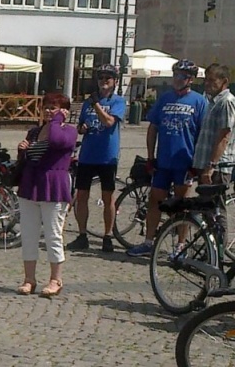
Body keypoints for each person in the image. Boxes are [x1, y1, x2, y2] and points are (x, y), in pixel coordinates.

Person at [127, 59, 208, 257]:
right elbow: (153, 127)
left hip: (185, 161)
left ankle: (181, 245)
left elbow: (203, 135)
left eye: (181, 76)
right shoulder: (165, 98)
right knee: (155, 199)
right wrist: (150, 156)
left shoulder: (199, 101)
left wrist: (197, 163)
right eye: (175, 75)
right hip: (163, 160)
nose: (177, 79)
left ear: (190, 79)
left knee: (180, 203)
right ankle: (148, 241)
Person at [16, 93, 77, 298]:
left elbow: (57, 141)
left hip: (54, 187)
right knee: (29, 234)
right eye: (47, 107)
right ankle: (29, 279)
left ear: (64, 111)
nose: (49, 111)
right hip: (30, 186)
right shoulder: (34, 132)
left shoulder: (68, 130)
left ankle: (55, 279)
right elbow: (30, 160)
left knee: (53, 234)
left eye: (54, 107)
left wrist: (58, 120)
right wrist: (22, 151)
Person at [68, 64, 126, 253]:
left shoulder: (118, 101)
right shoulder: (88, 103)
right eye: (101, 78)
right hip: (88, 154)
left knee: (107, 197)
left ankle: (107, 236)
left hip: (107, 156)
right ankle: (82, 234)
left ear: (115, 81)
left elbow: (109, 122)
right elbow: (80, 125)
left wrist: (97, 105)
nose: (103, 82)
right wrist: (82, 128)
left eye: (108, 78)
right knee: (82, 195)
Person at [191, 64, 235, 246]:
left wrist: (211, 165)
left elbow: (224, 136)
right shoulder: (211, 101)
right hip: (205, 164)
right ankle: (211, 249)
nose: (207, 84)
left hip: (217, 167)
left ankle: (219, 252)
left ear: (224, 82)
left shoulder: (226, 101)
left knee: (216, 209)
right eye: (206, 79)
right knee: (207, 209)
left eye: (212, 80)